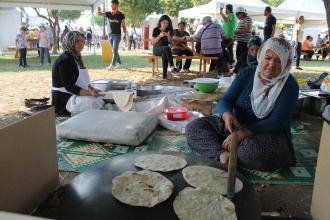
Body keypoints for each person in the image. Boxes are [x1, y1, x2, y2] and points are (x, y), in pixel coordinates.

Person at [186, 37, 298, 172]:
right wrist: (226, 114)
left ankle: (229, 149)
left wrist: (243, 134)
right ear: (261, 56)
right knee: (194, 127)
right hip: (235, 126)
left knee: (253, 152)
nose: (271, 64)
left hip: (264, 134)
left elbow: (277, 122)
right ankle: (222, 154)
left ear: (286, 63)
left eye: (278, 60)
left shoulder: (289, 86)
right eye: (268, 58)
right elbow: (226, 100)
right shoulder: (248, 73)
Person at [52, 31, 101, 115]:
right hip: (64, 99)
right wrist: (89, 93)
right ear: (69, 42)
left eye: (82, 41)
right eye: (77, 41)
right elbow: (69, 87)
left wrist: (92, 89)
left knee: (99, 100)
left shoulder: (76, 57)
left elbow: (82, 79)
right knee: (91, 104)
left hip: (75, 94)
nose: (81, 44)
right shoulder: (64, 60)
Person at [98, 0, 128, 70]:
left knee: (114, 50)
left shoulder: (121, 15)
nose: (111, 6)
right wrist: (99, 10)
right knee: (115, 50)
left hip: (117, 35)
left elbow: (123, 26)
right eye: (111, 5)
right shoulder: (108, 13)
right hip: (110, 35)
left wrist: (125, 35)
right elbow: (100, 14)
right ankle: (119, 62)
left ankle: (112, 65)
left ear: (117, 5)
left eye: (112, 4)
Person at [151, 15, 179, 80]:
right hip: (156, 49)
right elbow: (153, 42)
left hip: (165, 50)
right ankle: (172, 67)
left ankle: (164, 76)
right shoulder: (156, 29)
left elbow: (171, 44)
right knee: (166, 48)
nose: (165, 24)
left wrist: (168, 36)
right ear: (160, 22)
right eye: (163, 23)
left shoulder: (169, 31)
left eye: (167, 23)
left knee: (165, 53)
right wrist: (159, 36)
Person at [233, 7, 252, 73]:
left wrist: (237, 31)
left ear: (242, 13)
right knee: (239, 57)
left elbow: (248, 29)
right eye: (236, 14)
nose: (237, 16)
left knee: (243, 58)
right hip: (240, 42)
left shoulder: (248, 19)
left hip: (245, 42)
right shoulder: (240, 21)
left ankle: (238, 72)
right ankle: (239, 72)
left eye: (237, 14)